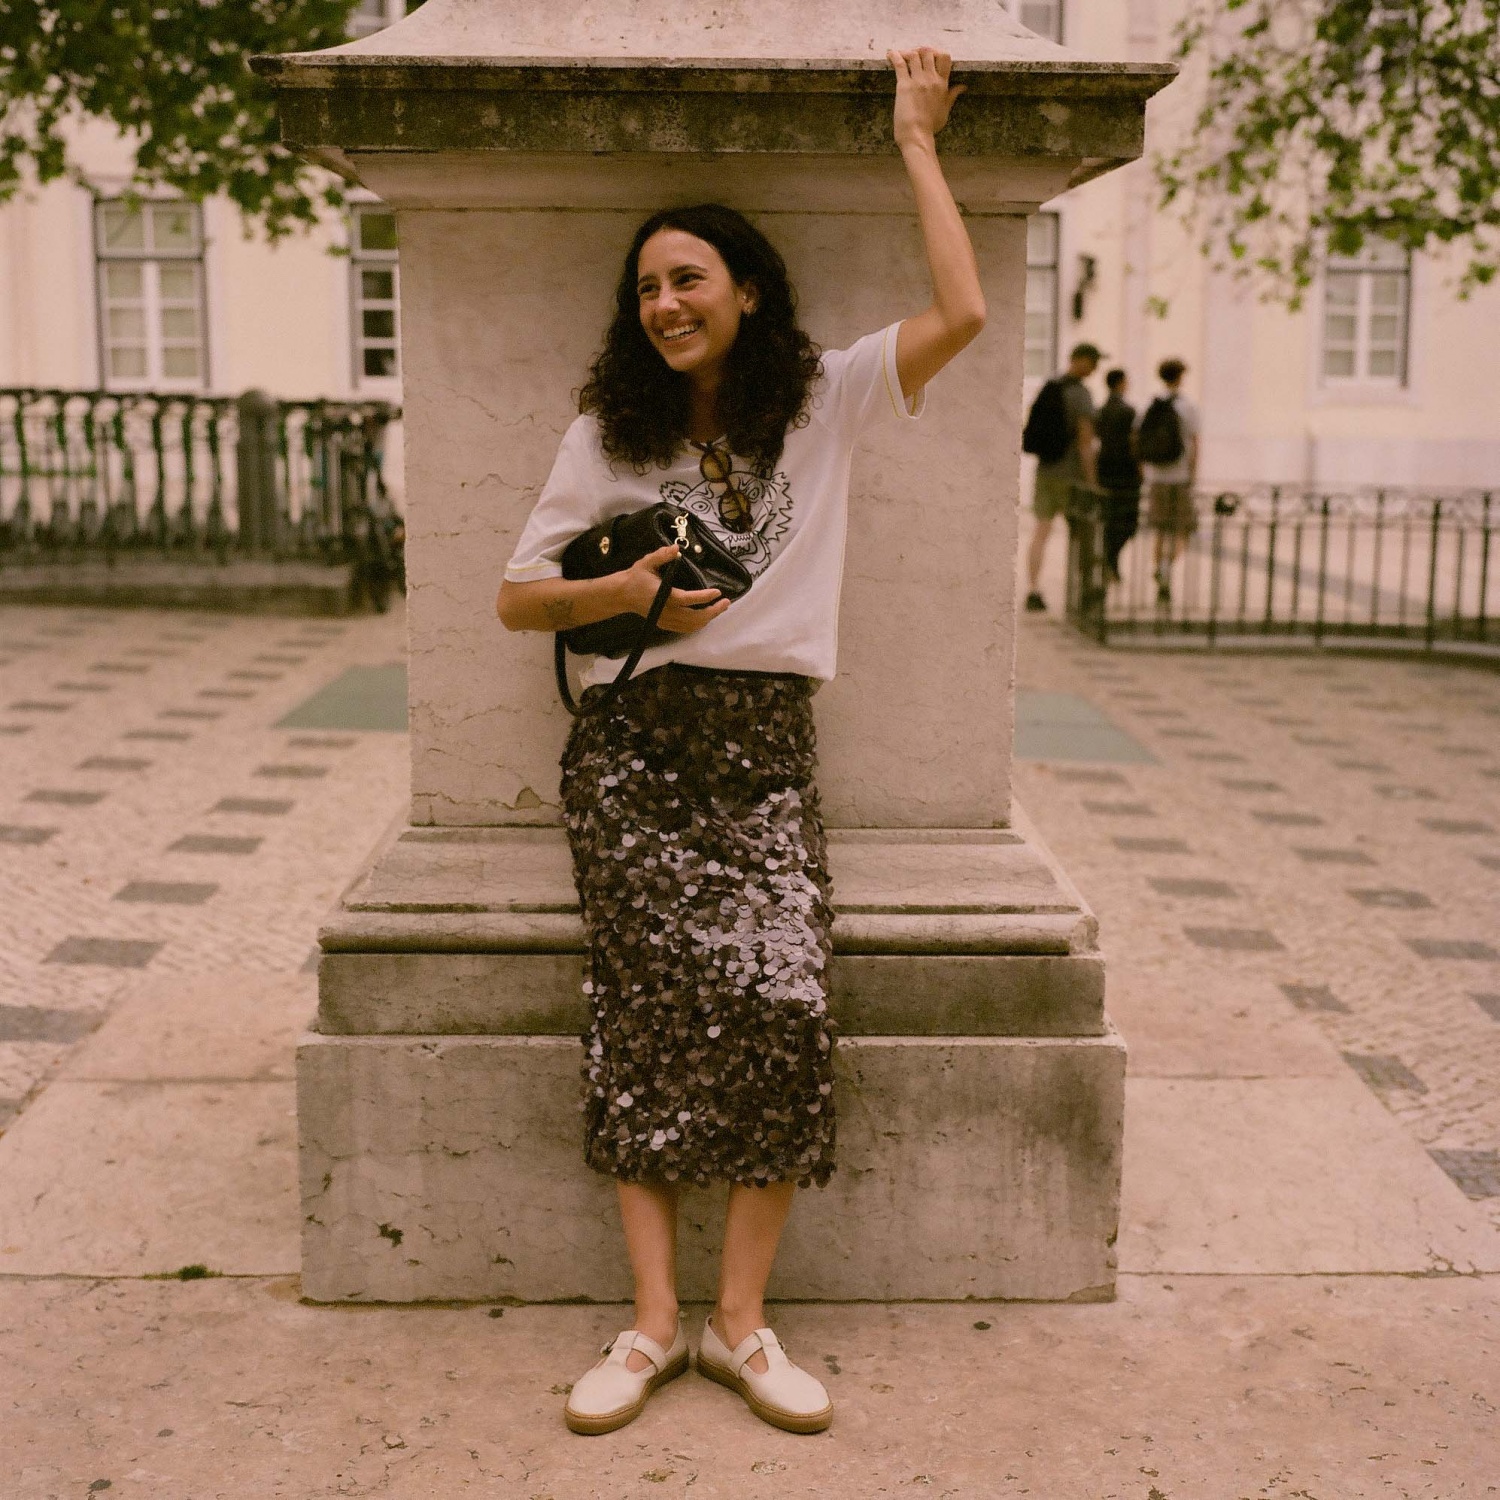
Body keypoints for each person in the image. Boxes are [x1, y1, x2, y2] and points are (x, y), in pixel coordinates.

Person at [495, 46, 985, 1438]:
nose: (664, 303)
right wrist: (627, 593)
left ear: (747, 290)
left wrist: (917, 141)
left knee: (784, 1010)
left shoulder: (822, 399)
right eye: (646, 288)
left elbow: (964, 309)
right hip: (636, 751)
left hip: (765, 746)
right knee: (643, 1022)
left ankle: (740, 1326)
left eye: (688, 278)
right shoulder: (607, 435)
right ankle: (652, 1327)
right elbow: (516, 597)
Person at [1024, 342, 1102, 612]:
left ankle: (1033, 590)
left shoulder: (1050, 387)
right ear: (1080, 360)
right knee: (1082, 535)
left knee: (1041, 532)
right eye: (1093, 362)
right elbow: (1085, 442)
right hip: (1071, 476)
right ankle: (1083, 592)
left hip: (1046, 470)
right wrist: (1092, 482)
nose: (1095, 368)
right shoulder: (1081, 394)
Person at [1138, 357, 1200, 604]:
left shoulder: (1150, 404)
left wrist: (1144, 471)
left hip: (1156, 475)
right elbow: (1194, 444)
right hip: (1180, 476)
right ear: (1181, 377)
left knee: (1160, 529)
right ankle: (1165, 568)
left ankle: (1160, 571)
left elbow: (1138, 438)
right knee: (1183, 529)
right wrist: (1193, 474)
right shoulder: (1188, 406)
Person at [1094, 367, 1141, 583]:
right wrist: (1139, 468)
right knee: (1128, 521)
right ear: (1120, 383)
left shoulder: (1101, 411)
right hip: (1126, 471)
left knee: (1110, 518)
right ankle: (1111, 560)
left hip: (1105, 468)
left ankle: (1109, 561)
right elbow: (1134, 442)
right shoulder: (1128, 411)